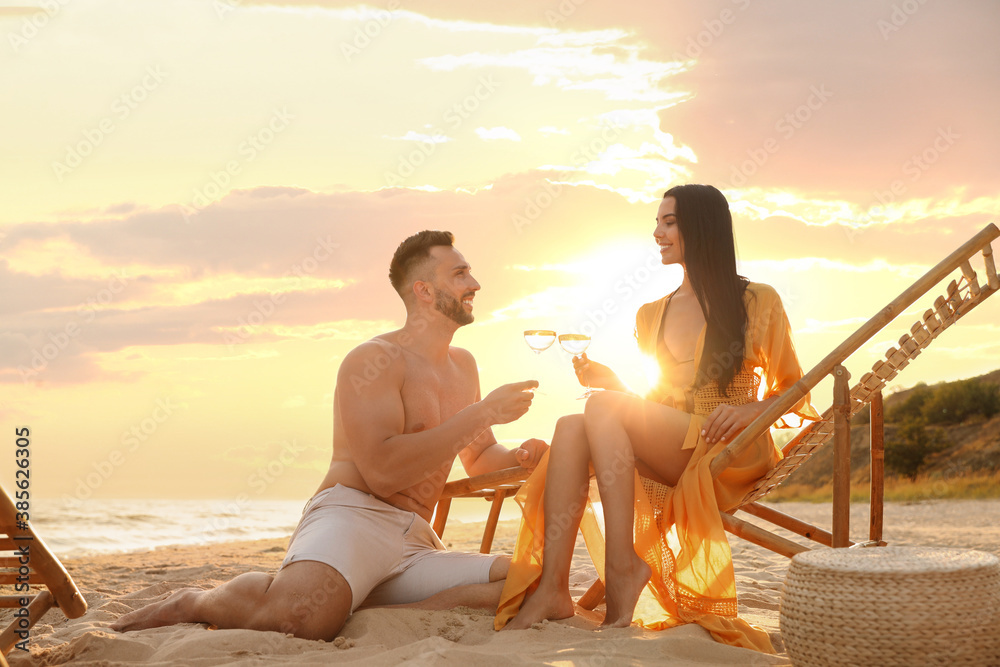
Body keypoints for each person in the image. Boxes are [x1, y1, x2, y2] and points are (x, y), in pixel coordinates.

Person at [112, 230, 548, 640]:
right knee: (299, 617)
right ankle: (195, 600)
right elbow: (382, 471)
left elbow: (481, 453)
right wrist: (482, 411)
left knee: (526, 585)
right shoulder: (373, 360)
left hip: (415, 538)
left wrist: (523, 457)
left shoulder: (464, 366)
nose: (474, 283)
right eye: (460, 274)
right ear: (424, 291)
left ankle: (360, 608)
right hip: (352, 516)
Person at [495, 185, 818, 651]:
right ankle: (553, 589)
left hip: (730, 448)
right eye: (657, 222)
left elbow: (794, 387)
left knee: (599, 409)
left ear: (700, 229)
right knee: (571, 424)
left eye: (668, 222)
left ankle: (622, 566)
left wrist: (748, 410)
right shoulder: (651, 315)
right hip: (678, 444)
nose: (657, 233)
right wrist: (617, 386)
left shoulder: (757, 301)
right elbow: (658, 410)